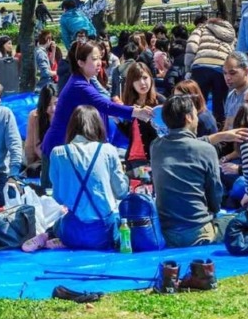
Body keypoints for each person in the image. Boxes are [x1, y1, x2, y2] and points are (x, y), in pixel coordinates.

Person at [42, 41, 154, 182]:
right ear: (81, 63)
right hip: (58, 147)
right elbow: (105, 105)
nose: (99, 62)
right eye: (94, 59)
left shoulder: (85, 81)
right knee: (51, 197)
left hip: (67, 148)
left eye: (100, 58)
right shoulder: (79, 85)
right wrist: (136, 112)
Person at [24, 106, 128, 252]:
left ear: (71, 127)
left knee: (60, 222)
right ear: (98, 126)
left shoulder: (58, 152)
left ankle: (48, 235)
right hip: (104, 233)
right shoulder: (108, 150)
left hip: (72, 230)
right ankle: (56, 238)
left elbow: (59, 198)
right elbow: (121, 192)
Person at [150, 95, 226, 248]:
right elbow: (215, 193)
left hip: (166, 232)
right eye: (196, 114)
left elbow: (182, 145)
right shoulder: (206, 150)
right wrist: (213, 211)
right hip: (198, 230)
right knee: (235, 220)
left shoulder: (155, 146)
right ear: (189, 117)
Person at [185, 17, 236, 125]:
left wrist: (188, 69)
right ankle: (220, 127)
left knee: (198, 102)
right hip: (221, 66)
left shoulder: (201, 28)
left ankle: (198, 126)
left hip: (200, 65)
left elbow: (191, 46)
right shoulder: (230, 32)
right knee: (220, 102)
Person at [118, 63, 165, 169]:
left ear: (151, 78)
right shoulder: (130, 104)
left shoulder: (160, 102)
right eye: (137, 80)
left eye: (145, 78)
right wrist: (117, 121)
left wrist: (148, 119)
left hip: (154, 159)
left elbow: (164, 133)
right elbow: (131, 134)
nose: (142, 83)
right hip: (132, 159)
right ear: (131, 83)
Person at [24, 83, 57, 178]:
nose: (53, 109)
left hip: (61, 159)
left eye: (55, 103)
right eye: (48, 104)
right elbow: (34, 146)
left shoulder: (65, 115)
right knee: (33, 171)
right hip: (42, 158)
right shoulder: (35, 116)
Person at [223, 52, 248, 129]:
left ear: (247, 71)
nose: (227, 77)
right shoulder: (231, 94)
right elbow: (227, 125)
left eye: (232, 73)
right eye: (225, 73)